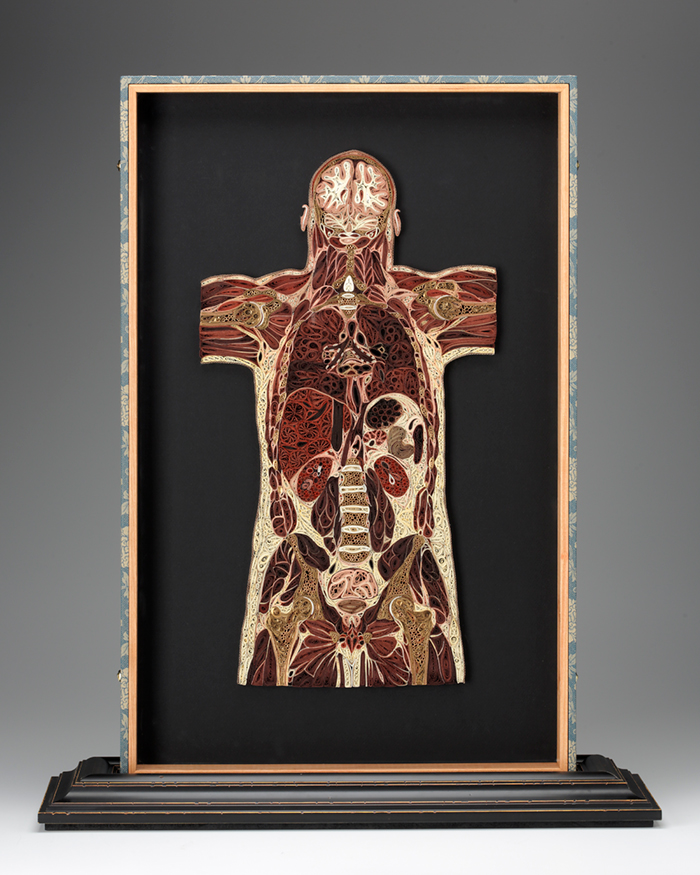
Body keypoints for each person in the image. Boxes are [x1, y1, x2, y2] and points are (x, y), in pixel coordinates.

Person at [201, 150, 496, 687]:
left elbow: (479, 305)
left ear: (394, 224)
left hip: (394, 520)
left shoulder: (423, 304)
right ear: (308, 221)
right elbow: (218, 315)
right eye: (337, 224)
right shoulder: (276, 310)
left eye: (364, 225)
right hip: (306, 516)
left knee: (413, 615)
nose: (351, 239)